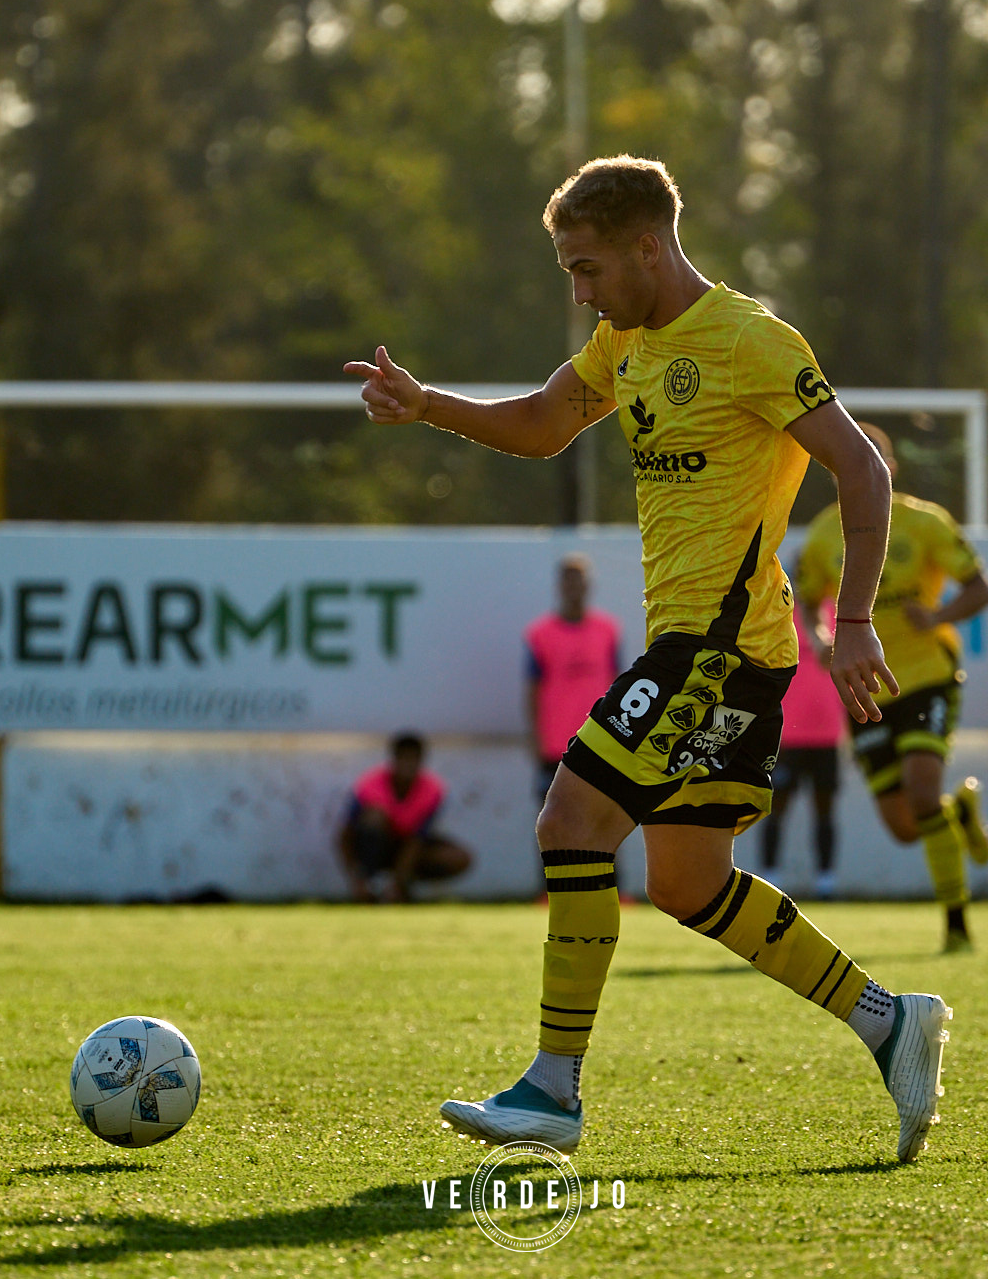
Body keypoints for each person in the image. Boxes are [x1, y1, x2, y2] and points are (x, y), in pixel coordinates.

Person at [345, 155, 952, 1164]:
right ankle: (891, 1023)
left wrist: (849, 623)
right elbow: (544, 424)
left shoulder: (749, 342)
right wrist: (428, 406)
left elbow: (862, 467)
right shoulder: (620, 341)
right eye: (566, 274)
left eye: (586, 270)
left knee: (569, 818)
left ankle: (550, 1089)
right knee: (685, 883)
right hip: (703, 655)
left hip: (718, 653)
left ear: (647, 246)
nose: (578, 293)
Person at [794, 422, 988, 952]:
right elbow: (807, 596)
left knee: (923, 790)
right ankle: (962, 813)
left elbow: (981, 588)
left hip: (927, 674)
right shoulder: (822, 535)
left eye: (873, 460)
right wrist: (819, 634)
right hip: (865, 687)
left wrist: (939, 615)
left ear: (890, 468)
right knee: (906, 826)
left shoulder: (923, 522)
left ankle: (957, 925)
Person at [759, 580, 848, 900]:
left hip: (827, 734)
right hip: (787, 735)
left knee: (825, 808)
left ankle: (826, 882)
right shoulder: (781, 617)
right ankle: (770, 879)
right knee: (775, 806)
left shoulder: (840, 617)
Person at [525, 554, 623, 801]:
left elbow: (618, 684)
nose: (573, 587)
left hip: (598, 744)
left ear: (589, 585)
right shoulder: (540, 633)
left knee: (599, 823)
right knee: (553, 826)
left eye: (578, 580)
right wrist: (534, 739)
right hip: (554, 747)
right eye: (567, 580)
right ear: (559, 585)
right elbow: (531, 690)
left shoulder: (608, 629)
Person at [336, 733, 473, 903]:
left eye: (413, 759)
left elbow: (416, 840)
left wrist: (398, 883)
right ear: (393, 759)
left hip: (408, 851)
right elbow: (344, 836)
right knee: (374, 818)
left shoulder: (432, 790)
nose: (408, 765)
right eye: (403, 758)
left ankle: (400, 887)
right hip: (374, 849)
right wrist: (356, 880)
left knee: (459, 858)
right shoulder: (369, 785)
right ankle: (369, 881)